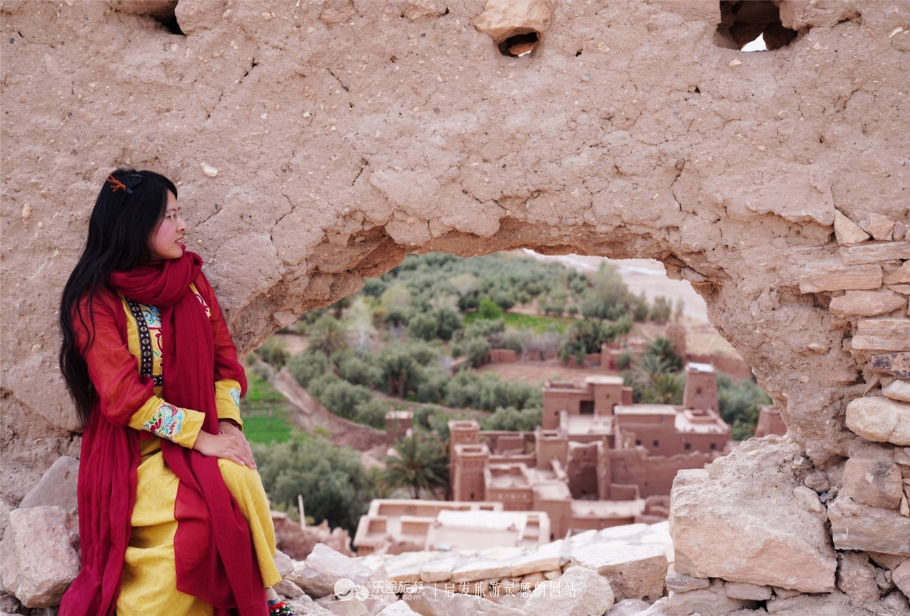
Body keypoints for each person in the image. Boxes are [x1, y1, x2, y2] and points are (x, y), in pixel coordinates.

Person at [58, 170, 294, 616]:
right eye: (170, 216)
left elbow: (226, 363)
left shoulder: (190, 281)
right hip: (131, 454)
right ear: (136, 225)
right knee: (196, 530)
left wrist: (227, 425)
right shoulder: (93, 302)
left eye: (179, 213)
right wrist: (202, 438)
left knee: (239, 473)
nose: (183, 225)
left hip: (198, 433)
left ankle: (266, 599)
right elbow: (121, 395)